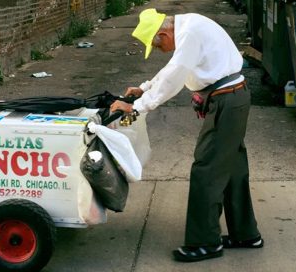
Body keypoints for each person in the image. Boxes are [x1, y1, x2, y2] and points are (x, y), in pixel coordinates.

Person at [110, 8, 263, 262]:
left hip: (226, 101)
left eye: (158, 46)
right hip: (232, 98)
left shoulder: (189, 33)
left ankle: (205, 243)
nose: (162, 50)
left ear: (163, 32)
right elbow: (173, 68)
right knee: (233, 168)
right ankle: (246, 235)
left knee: (206, 169)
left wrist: (137, 107)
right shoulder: (188, 26)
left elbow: (175, 74)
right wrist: (145, 88)